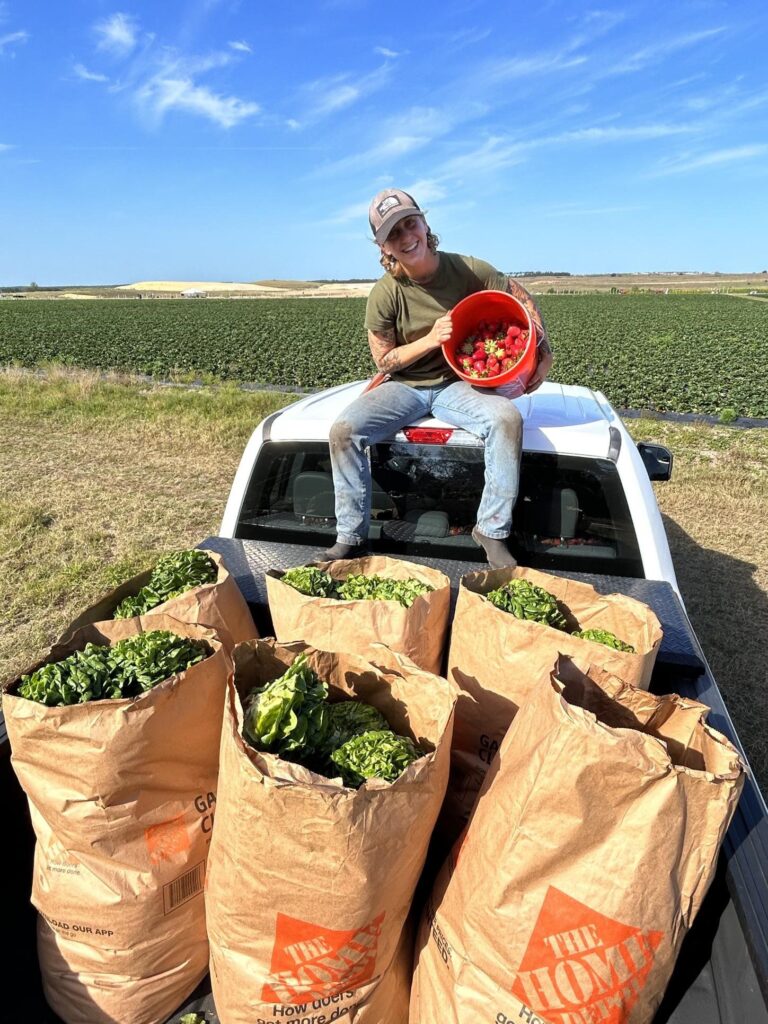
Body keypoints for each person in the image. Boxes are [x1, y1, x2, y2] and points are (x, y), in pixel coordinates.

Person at [323, 187, 553, 568]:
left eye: (409, 224)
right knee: (344, 430)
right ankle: (350, 535)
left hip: (457, 384)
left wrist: (543, 348)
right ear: (385, 248)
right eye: (393, 234)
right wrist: (430, 340)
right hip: (404, 388)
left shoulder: (465, 269)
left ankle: (491, 531)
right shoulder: (386, 293)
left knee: (506, 418)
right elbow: (384, 361)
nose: (406, 237)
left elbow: (519, 296)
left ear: (425, 223)